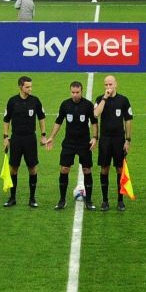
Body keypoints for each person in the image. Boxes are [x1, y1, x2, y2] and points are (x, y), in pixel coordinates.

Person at [45, 80, 97, 210]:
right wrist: (51, 137)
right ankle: (62, 200)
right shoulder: (65, 105)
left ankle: (89, 201)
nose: (75, 95)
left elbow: (94, 122)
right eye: (73, 92)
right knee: (64, 169)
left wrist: (95, 137)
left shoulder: (88, 105)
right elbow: (58, 122)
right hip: (69, 143)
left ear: (81, 91)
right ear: (70, 91)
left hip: (84, 143)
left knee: (87, 170)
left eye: (77, 92)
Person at [2, 75, 45, 208]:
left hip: (30, 138)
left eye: (31, 86)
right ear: (20, 86)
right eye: (27, 87)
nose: (30, 89)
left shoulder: (35, 101)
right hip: (16, 138)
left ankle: (32, 198)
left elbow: (41, 118)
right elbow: (6, 120)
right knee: (13, 168)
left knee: (32, 168)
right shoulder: (12, 101)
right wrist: (5, 137)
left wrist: (43, 135)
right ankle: (12, 198)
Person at [92, 75, 132, 211]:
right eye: (106, 85)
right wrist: (105, 97)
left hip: (119, 139)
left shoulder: (123, 100)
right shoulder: (100, 99)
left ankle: (120, 201)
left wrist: (128, 140)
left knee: (120, 169)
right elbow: (96, 114)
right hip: (105, 139)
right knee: (104, 168)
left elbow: (128, 120)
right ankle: (105, 200)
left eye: (110, 84)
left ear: (116, 84)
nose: (108, 87)